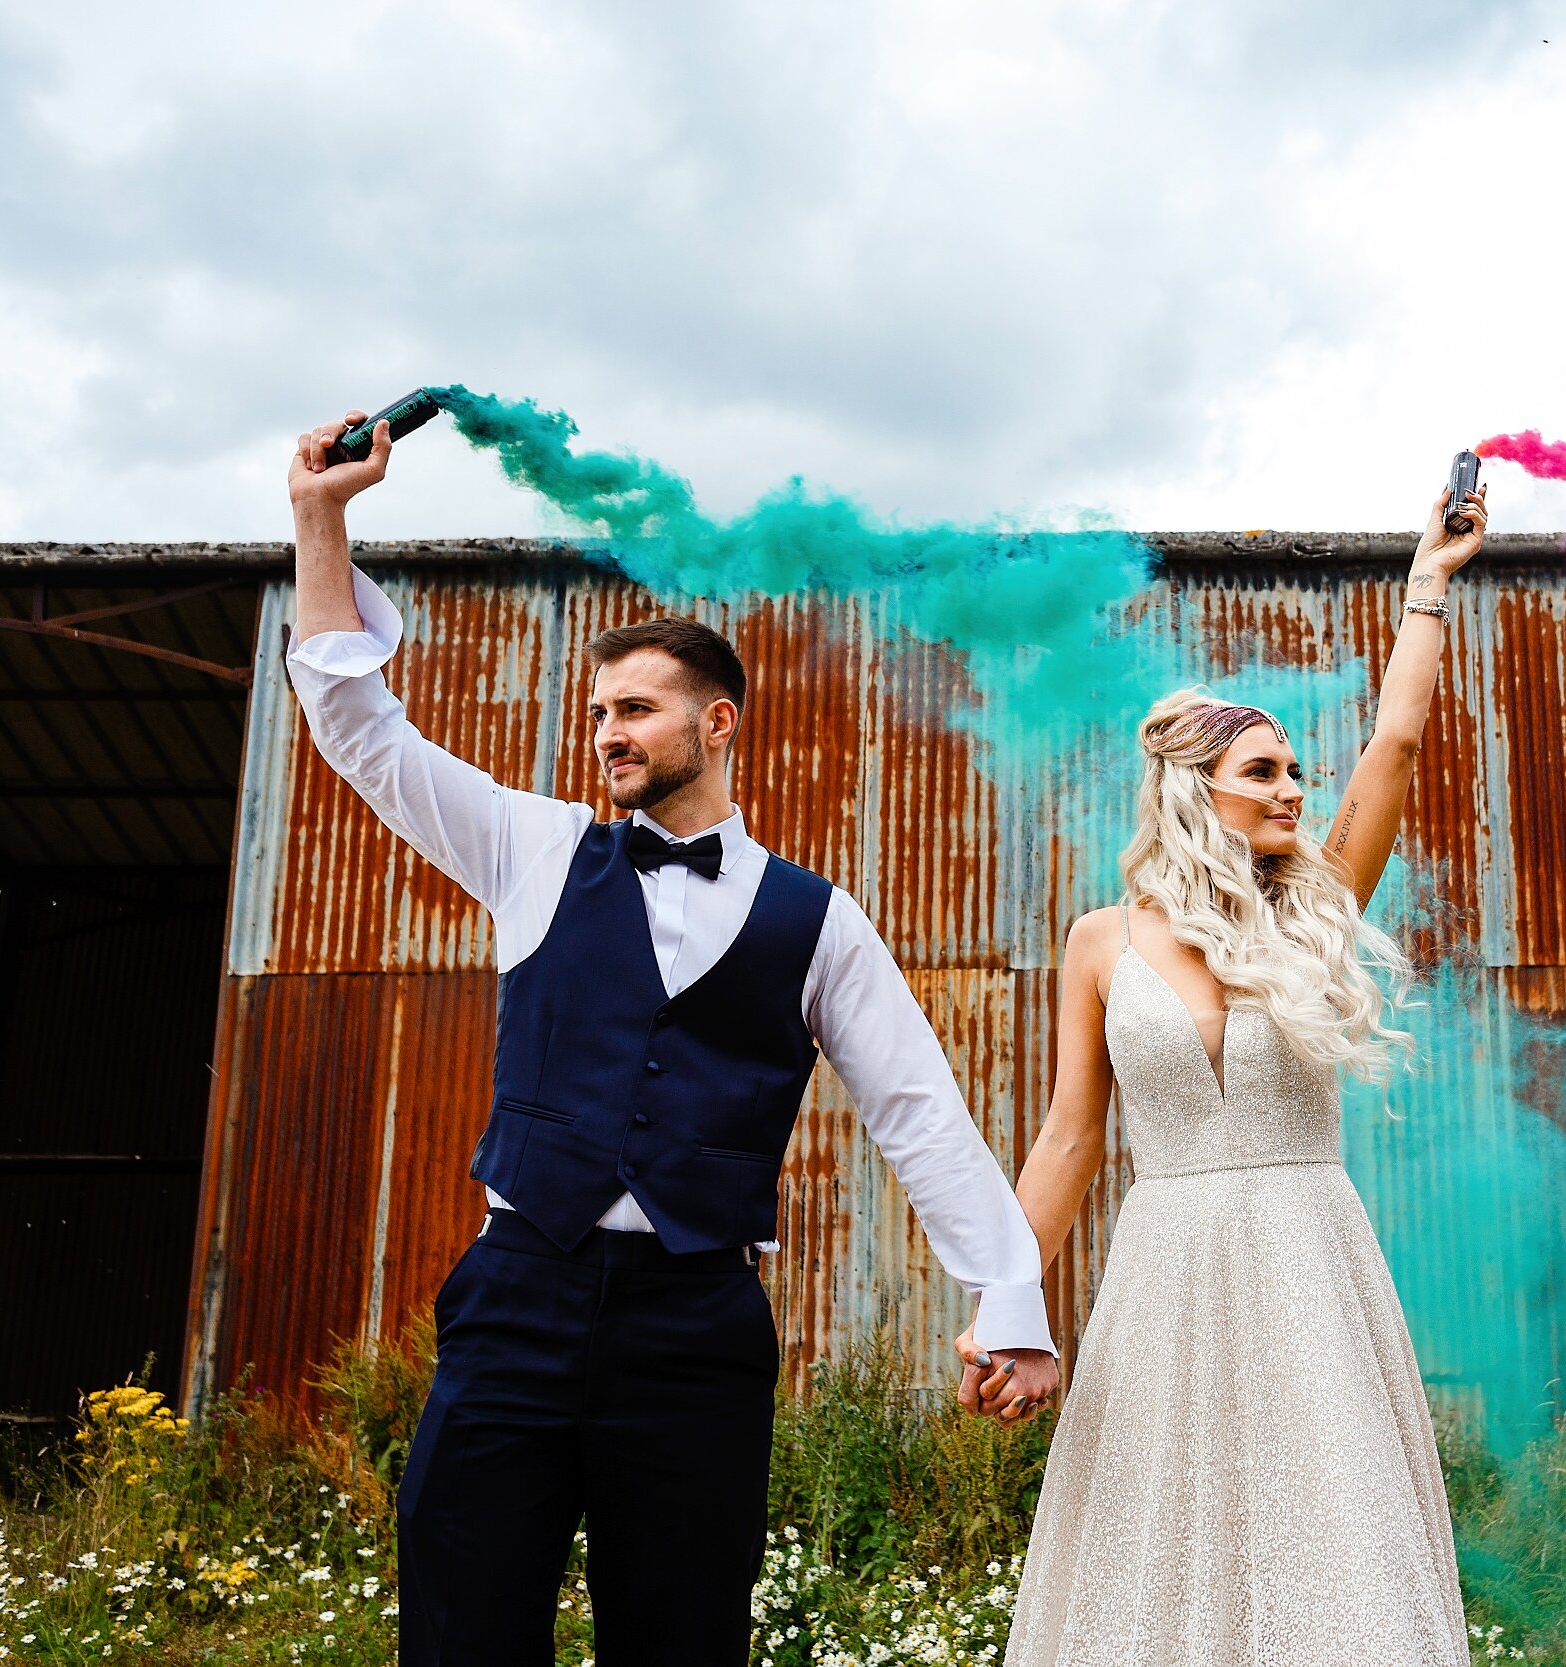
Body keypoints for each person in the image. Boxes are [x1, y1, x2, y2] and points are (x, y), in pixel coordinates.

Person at [283, 409, 1061, 1666]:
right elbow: (360, 730)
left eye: (637, 710)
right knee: (460, 1624)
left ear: (719, 725)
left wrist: (1008, 1295)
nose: (607, 734)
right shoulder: (531, 847)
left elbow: (917, 1110)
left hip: (697, 1324)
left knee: (684, 1638)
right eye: (599, 711)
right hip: (517, 1293)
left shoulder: (820, 917)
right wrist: (323, 517)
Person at [958, 480, 1488, 1665]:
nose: (1292, 787)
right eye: (1262, 770)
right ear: (1195, 788)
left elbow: (1396, 741)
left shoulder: (1319, 905)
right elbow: (1068, 1142)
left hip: (1307, 1251)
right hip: (1166, 1266)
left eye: (1296, 768)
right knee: (1153, 1547)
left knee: (1332, 1537)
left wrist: (1428, 585)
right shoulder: (1101, 940)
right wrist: (1006, 1299)